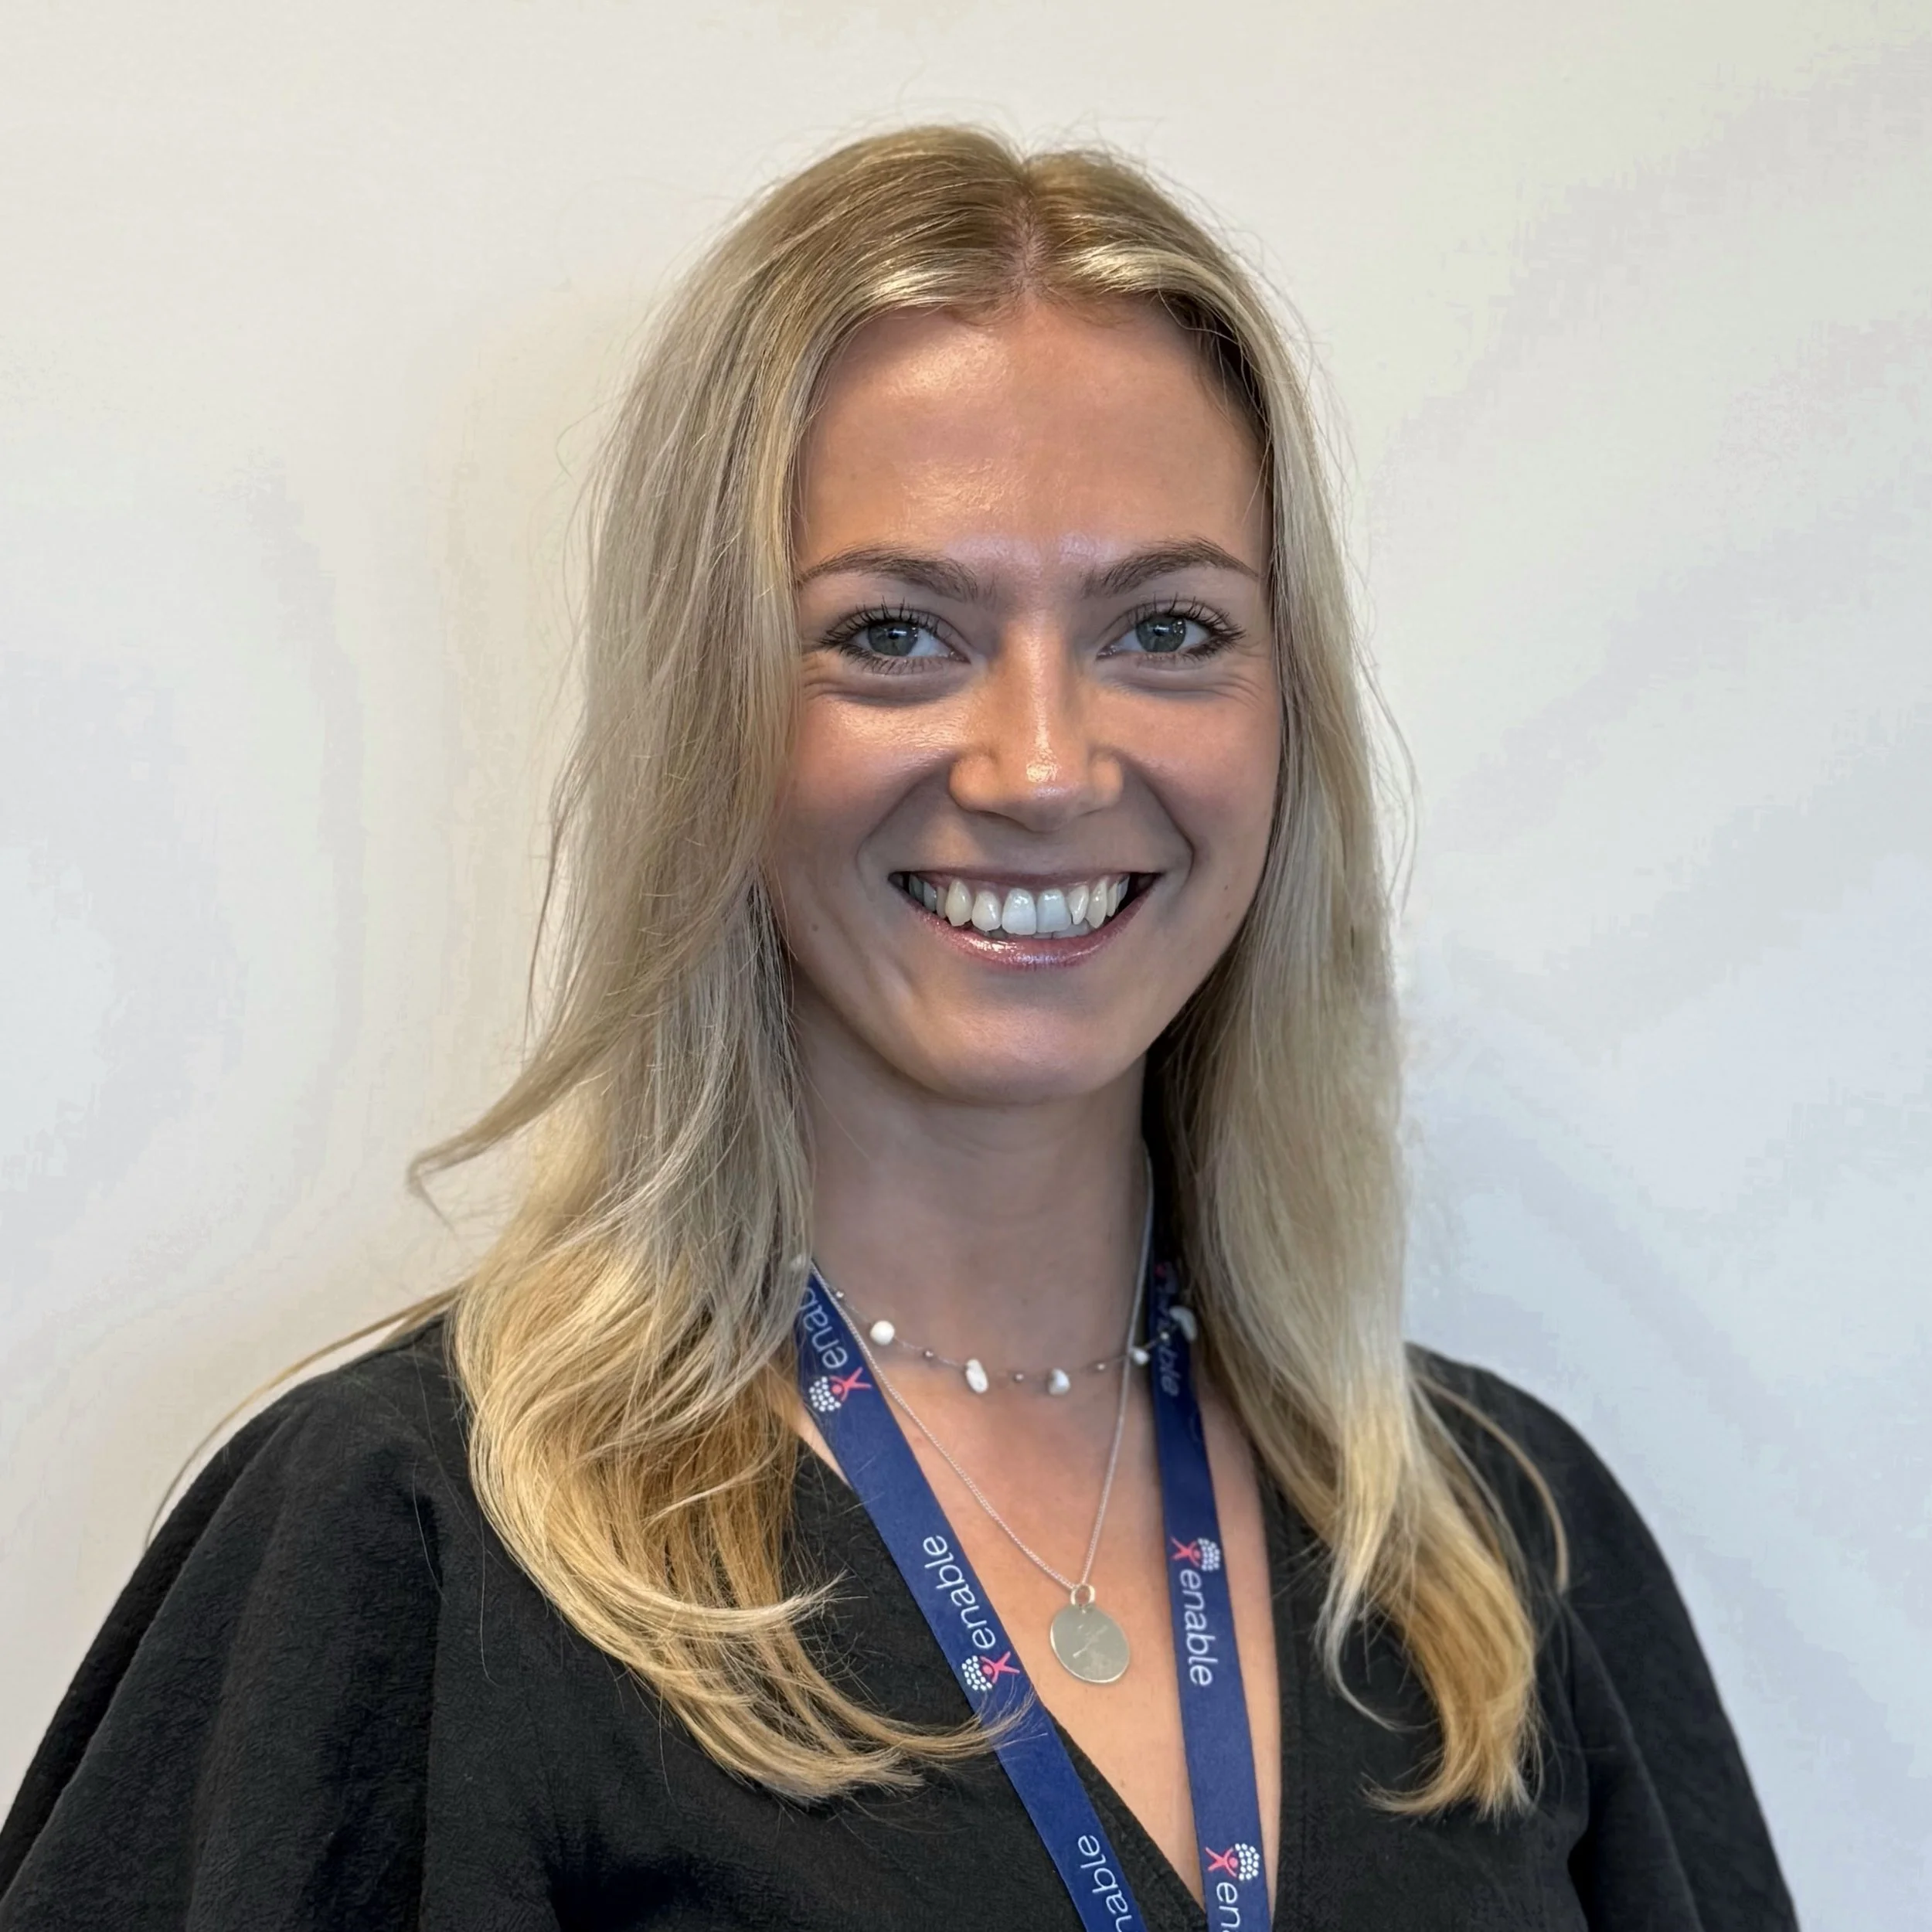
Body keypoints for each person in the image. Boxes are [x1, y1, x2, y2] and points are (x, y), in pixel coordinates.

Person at [0, 127, 1795, 1931]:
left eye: (1165, 627)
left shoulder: (1500, 1557)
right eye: (894, 635)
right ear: (710, 706)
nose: (1041, 764)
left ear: (1286, 713)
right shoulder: (410, 1548)